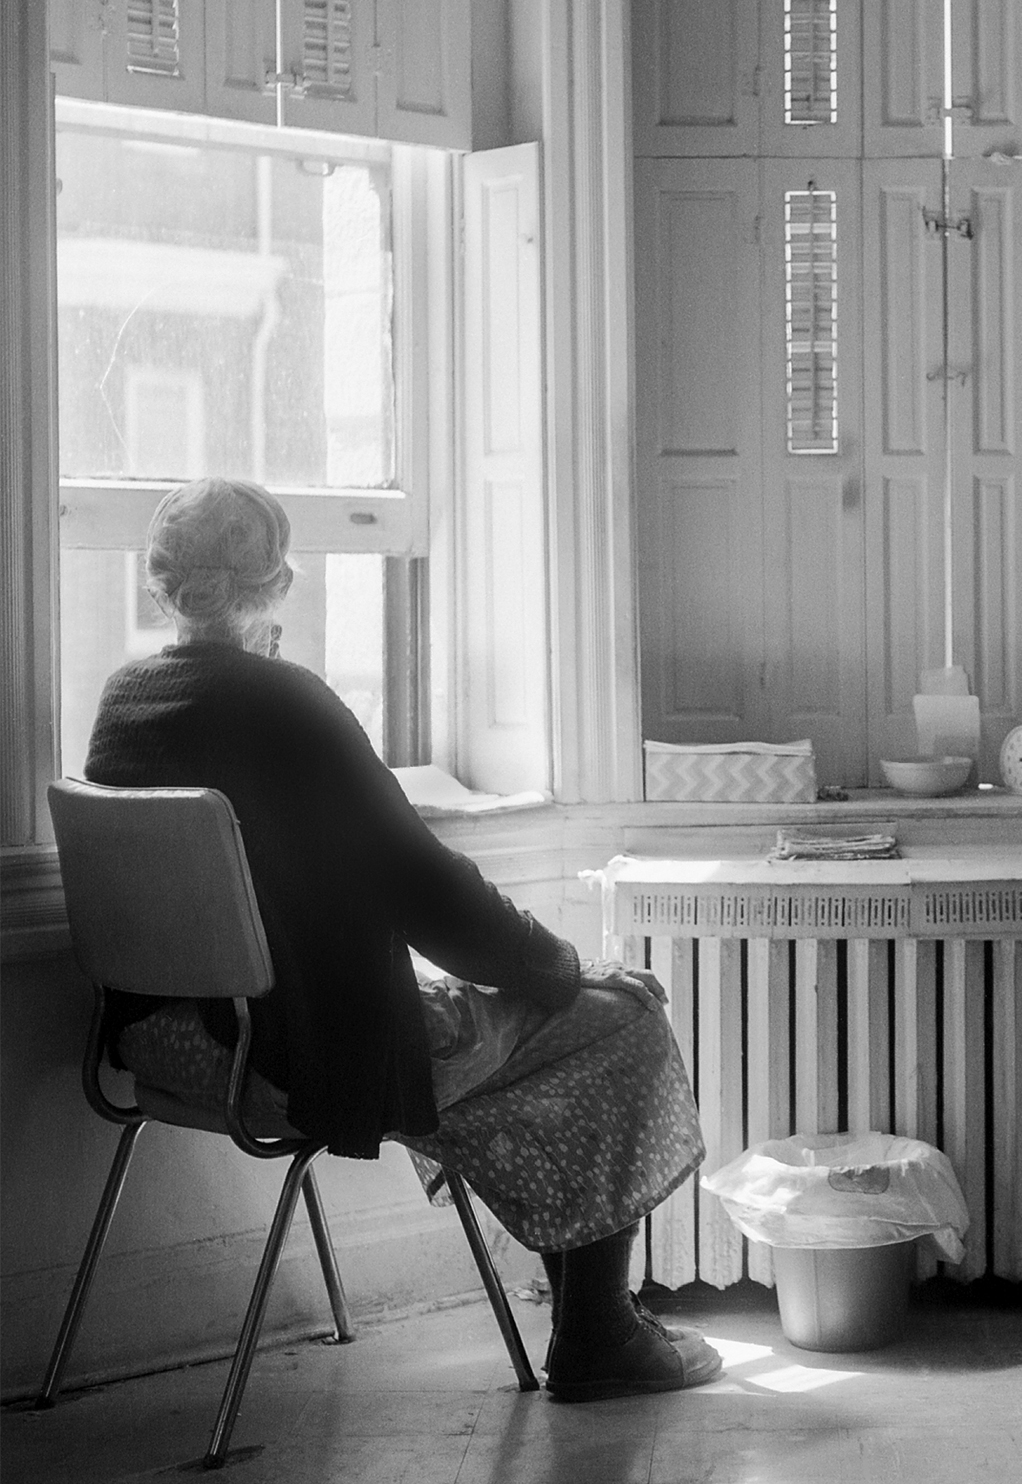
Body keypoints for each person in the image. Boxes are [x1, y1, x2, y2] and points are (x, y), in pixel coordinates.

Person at [84, 478, 721, 1400]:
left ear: (165, 584)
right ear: (277, 581)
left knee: (506, 1051)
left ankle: (590, 1317)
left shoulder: (125, 701)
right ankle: (598, 1334)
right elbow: (425, 889)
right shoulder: (286, 706)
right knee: (618, 1015)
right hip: (281, 1060)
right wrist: (558, 966)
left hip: (165, 1042)